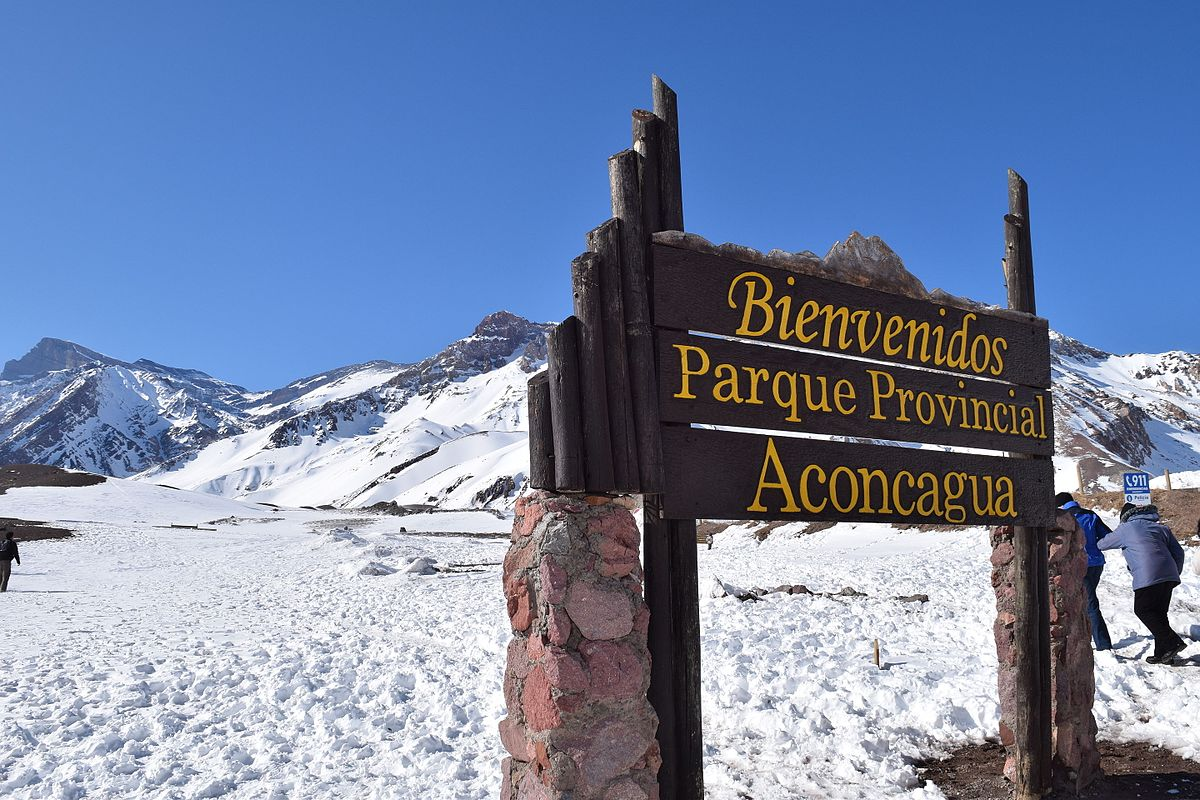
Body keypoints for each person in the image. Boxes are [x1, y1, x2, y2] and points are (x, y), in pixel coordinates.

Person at [1098, 503, 1188, 663]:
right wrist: (1174, 571)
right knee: (1159, 614)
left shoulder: (1126, 528)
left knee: (1143, 610)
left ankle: (1172, 642)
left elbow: (1102, 544)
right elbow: (1178, 552)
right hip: (1169, 575)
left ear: (1124, 517)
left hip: (1148, 575)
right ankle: (1164, 654)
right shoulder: (1161, 528)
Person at [1055, 491, 1113, 651]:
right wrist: (1093, 547)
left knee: (1090, 604)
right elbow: (1107, 535)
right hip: (1097, 564)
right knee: (1086, 600)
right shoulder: (1090, 515)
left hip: (1080, 565)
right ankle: (1086, 637)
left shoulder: (1063, 517)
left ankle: (1104, 645)